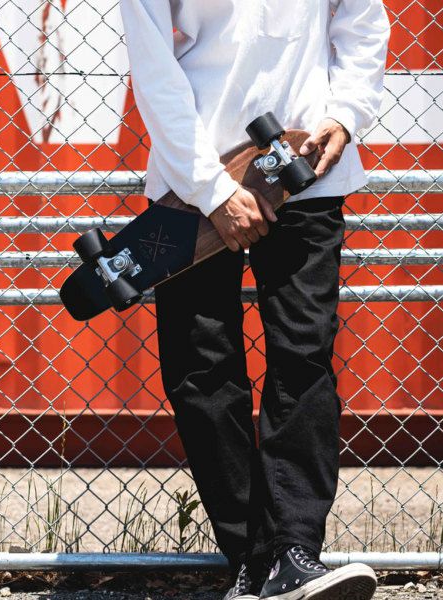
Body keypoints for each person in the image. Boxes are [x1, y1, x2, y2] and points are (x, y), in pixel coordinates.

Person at [118, 1, 390, 599]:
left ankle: (294, 551)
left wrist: (344, 114)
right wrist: (211, 189)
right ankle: (252, 559)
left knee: (303, 354)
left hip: (306, 168)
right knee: (201, 366)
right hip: (192, 181)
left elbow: (363, 22)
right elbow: (153, 66)